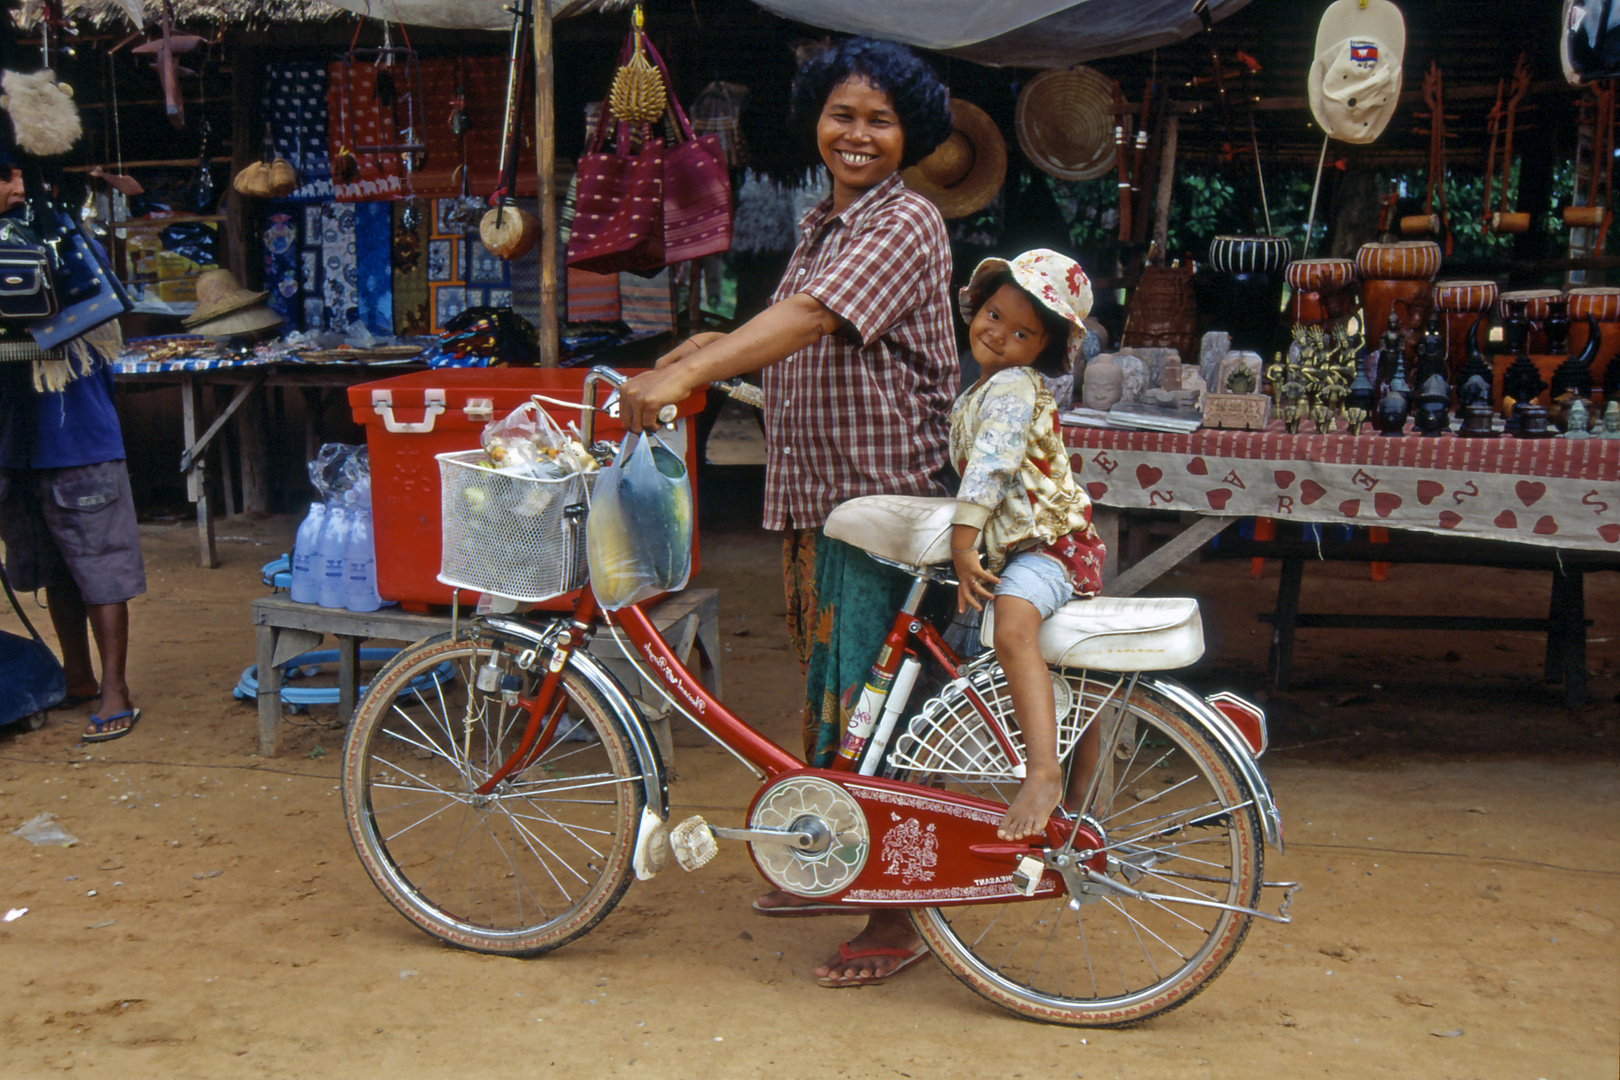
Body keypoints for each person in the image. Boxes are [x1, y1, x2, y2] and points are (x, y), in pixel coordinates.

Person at [618, 37, 955, 989]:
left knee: (878, 704)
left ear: (910, 136)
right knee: (832, 689)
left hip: (885, 494)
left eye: (880, 121)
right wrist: (702, 340)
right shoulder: (824, 223)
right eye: (842, 115)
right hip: (826, 497)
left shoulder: (906, 222)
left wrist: (688, 371)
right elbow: (786, 326)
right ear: (817, 120)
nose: (858, 135)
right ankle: (835, 856)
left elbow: (812, 321)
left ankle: (898, 911)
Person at [947, 250, 1106, 840]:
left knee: (1013, 623)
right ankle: (1080, 794)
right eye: (992, 315)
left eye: (1021, 332)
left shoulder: (1012, 385)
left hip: (1052, 547)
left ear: (1040, 347)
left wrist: (965, 548)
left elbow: (988, 469)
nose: (998, 334)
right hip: (1027, 547)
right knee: (1070, 667)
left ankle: (1043, 772)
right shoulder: (979, 391)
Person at [0, 154, 144, 742]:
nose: (11, 188)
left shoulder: (63, 248)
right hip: (19, 444)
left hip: (77, 440)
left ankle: (116, 689)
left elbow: (85, 328)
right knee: (56, 571)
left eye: (13, 177)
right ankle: (79, 676)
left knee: (100, 572)